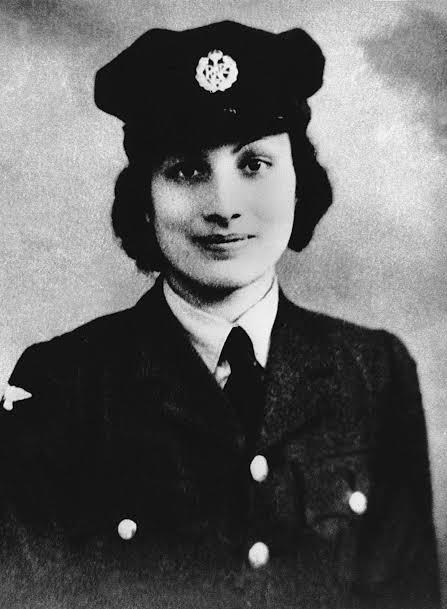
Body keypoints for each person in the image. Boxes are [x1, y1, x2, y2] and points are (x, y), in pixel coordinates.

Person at [0, 20, 440, 609]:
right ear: (145, 200)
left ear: (298, 184)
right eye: (187, 170)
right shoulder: (61, 386)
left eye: (254, 165)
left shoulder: (375, 372)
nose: (225, 207)